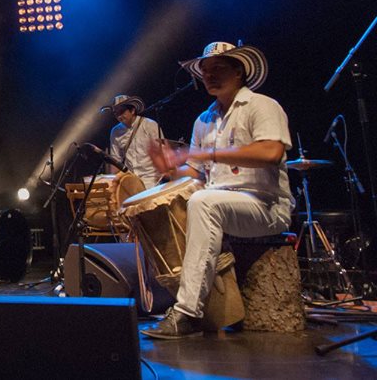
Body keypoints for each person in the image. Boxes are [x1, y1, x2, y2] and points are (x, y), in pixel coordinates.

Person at [141, 41, 294, 339]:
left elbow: (271, 152)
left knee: (203, 202)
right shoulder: (204, 120)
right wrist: (170, 168)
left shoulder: (262, 105)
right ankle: (193, 303)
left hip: (266, 206)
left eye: (218, 69)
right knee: (191, 200)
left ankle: (187, 312)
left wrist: (206, 155)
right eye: (205, 71)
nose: (209, 76)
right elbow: (195, 174)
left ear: (239, 71)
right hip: (222, 204)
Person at [104, 94, 163, 189]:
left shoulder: (149, 125)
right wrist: (113, 183)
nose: (119, 116)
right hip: (130, 181)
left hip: (151, 179)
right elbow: (115, 160)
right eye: (116, 113)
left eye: (122, 112)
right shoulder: (115, 131)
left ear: (132, 110)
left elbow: (161, 152)